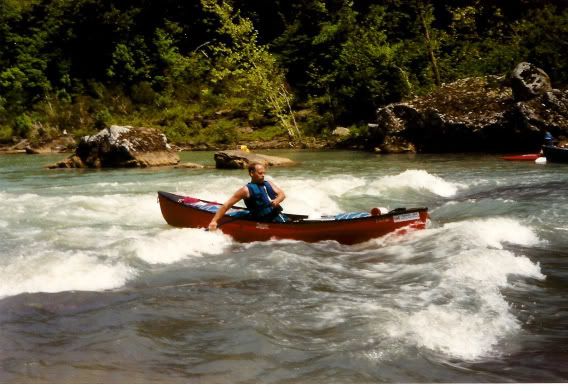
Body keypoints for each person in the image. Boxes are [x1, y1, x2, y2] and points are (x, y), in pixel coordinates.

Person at [208, 162, 287, 231]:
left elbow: (282, 194)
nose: (263, 175)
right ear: (251, 173)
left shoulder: (268, 183)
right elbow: (227, 205)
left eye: (264, 173)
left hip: (276, 216)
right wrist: (214, 221)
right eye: (260, 173)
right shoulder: (245, 190)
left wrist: (277, 200)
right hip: (261, 220)